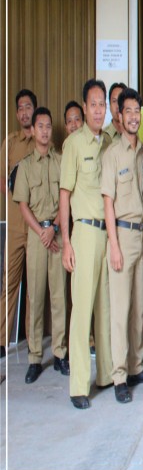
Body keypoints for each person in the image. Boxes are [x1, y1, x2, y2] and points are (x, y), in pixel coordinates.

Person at [60, 79, 113, 409]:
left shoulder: (108, 141)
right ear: (84, 106)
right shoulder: (74, 144)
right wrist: (66, 242)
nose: (98, 109)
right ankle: (79, 385)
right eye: (93, 103)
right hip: (83, 234)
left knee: (104, 309)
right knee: (81, 310)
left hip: (108, 234)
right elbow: (64, 196)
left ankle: (105, 375)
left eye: (102, 103)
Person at [102, 88, 143, 404]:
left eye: (137, 110)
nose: (134, 116)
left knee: (138, 307)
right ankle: (119, 375)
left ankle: (136, 366)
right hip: (121, 236)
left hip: (141, 234)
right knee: (120, 311)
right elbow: (107, 202)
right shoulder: (112, 155)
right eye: (129, 111)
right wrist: (114, 244)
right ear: (119, 116)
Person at [13, 107, 68, 383]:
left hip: (57, 235)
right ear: (33, 130)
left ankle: (59, 353)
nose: (45, 131)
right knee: (35, 298)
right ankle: (35, 357)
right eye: (41, 126)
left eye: (48, 126)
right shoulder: (24, 166)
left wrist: (55, 227)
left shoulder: (60, 161)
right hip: (37, 238)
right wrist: (41, 231)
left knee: (59, 297)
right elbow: (22, 204)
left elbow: (65, 198)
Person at [1, 89, 37, 358]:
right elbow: (2, 179)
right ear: (17, 113)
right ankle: (2, 339)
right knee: (10, 281)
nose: (25, 112)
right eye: (21, 108)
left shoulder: (41, 139)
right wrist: (17, 195)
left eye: (28, 107)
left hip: (37, 226)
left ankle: (34, 343)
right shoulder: (10, 142)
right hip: (15, 224)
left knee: (35, 287)